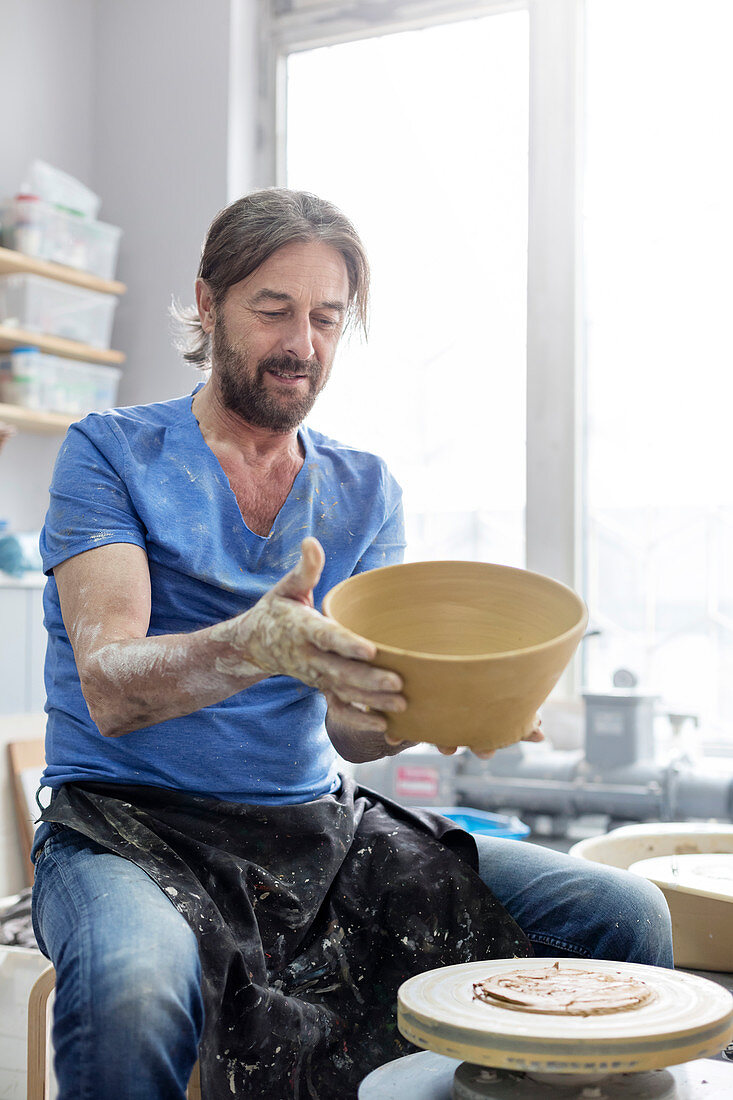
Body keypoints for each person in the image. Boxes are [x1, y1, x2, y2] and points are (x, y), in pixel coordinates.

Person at [31, 189, 672, 1100]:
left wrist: (431, 711)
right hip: (125, 827)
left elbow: (350, 733)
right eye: (273, 310)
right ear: (209, 305)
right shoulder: (109, 452)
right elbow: (110, 685)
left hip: (316, 831)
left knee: (620, 913)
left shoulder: (366, 491)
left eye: (326, 318)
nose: (303, 344)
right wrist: (256, 643)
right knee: (133, 986)